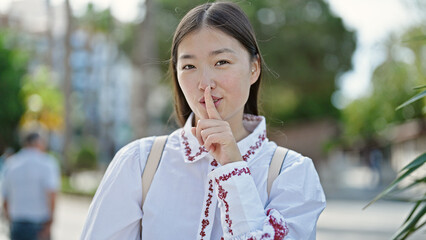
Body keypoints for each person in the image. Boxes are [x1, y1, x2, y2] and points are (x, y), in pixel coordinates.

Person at [81, 2, 326, 240]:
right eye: (189, 66)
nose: (204, 83)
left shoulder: (292, 173)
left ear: (254, 68)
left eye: (221, 62)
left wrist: (233, 168)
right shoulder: (138, 163)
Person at [1, 133, 60, 240]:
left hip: (17, 224)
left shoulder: (11, 163)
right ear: (38, 143)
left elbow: (5, 198)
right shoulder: (47, 163)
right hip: (39, 226)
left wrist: (10, 221)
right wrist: (50, 223)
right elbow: (52, 194)